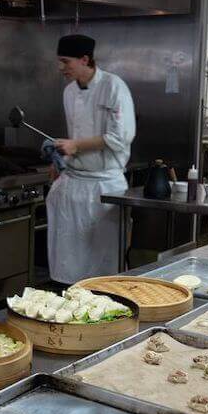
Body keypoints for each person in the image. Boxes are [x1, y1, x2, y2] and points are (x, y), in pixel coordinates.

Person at [46, 34, 136, 284]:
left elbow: (120, 137)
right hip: (73, 183)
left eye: (66, 61)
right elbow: (76, 135)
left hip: (104, 186)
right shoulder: (69, 92)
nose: (61, 67)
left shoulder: (113, 87)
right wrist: (59, 160)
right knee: (69, 263)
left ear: (85, 59)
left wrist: (76, 145)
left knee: (103, 264)